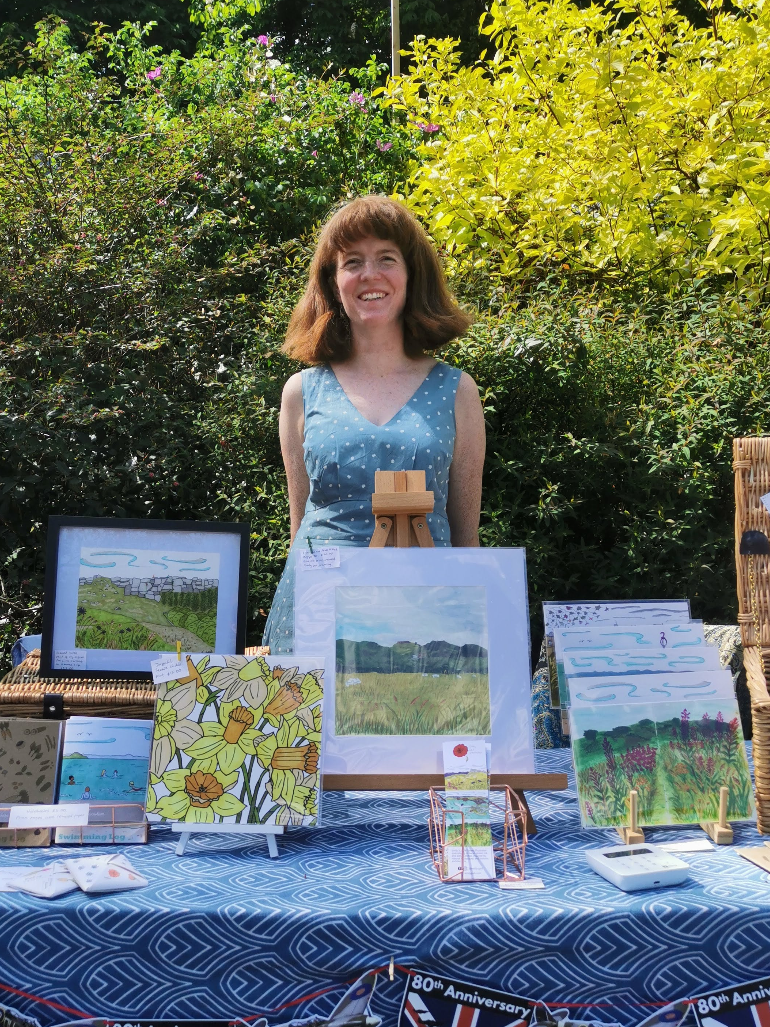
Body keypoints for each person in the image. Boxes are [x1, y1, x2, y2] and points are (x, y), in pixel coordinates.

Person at [262, 195, 486, 653]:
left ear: (411, 275)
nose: (370, 275)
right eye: (352, 262)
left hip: (428, 617)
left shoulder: (459, 391)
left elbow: (466, 538)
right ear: (333, 281)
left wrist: (474, 632)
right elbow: (300, 527)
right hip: (319, 619)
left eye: (387, 258)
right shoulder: (300, 393)